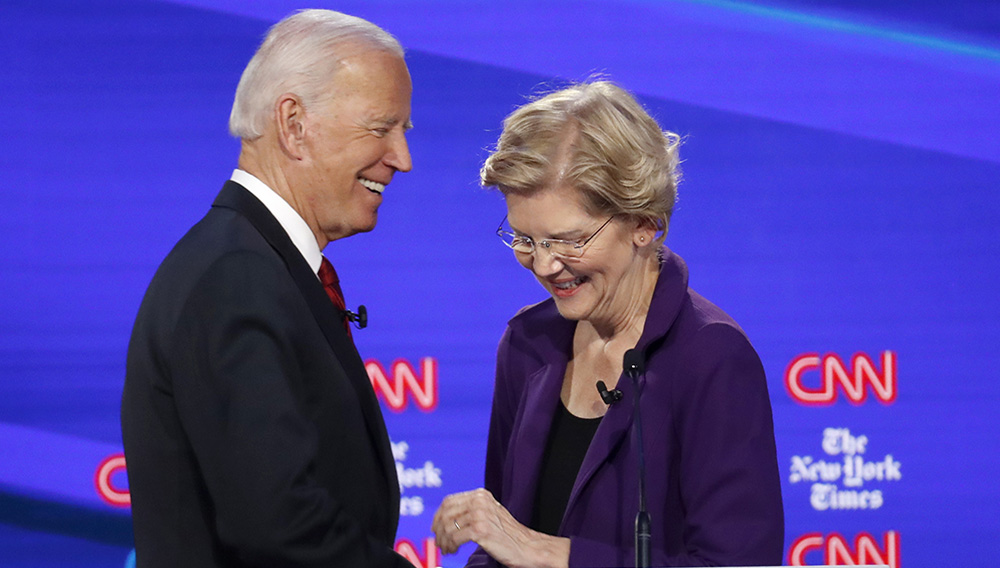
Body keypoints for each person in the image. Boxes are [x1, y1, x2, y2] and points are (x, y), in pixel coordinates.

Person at [432, 81, 783, 567]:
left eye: (568, 240)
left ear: (644, 223)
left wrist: (555, 555)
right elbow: (506, 547)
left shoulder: (710, 356)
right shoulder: (526, 343)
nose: (544, 265)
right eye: (525, 238)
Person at [120, 9, 414, 567]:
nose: (402, 159)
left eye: (404, 131)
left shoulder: (252, 261)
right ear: (294, 124)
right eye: (381, 128)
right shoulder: (237, 278)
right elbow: (279, 526)